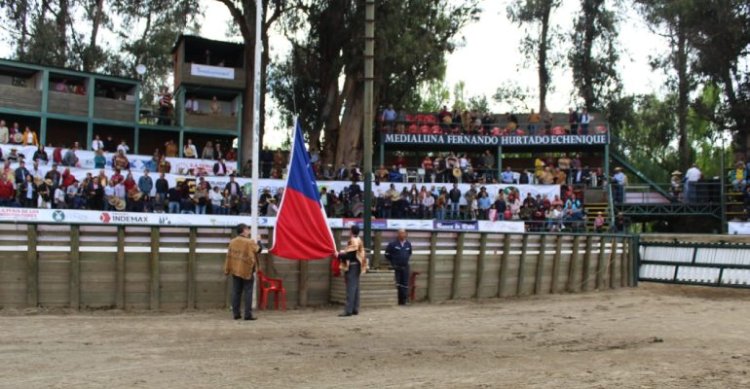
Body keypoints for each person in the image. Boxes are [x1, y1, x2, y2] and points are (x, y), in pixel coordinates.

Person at [223, 223, 263, 321]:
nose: (249, 231)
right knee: (248, 292)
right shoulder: (249, 242)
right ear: (244, 230)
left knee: (236, 291)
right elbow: (259, 250)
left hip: (236, 269)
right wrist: (259, 241)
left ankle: (236, 314)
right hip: (247, 270)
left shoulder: (232, 242)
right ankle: (247, 315)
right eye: (248, 229)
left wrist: (228, 268)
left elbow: (229, 256)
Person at [338, 225, 366, 317]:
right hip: (358, 266)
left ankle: (348, 310)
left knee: (351, 288)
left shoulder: (353, 240)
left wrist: (339, 255)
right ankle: (355, 308)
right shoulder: (359, 240)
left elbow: (350, 256)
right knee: (356, 288)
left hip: (353, 266)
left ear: (351, 231)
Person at [384, 229, 412, 305]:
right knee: (397, 283)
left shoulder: (408, 244)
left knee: (405, 284)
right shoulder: (393, 244)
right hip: (396, 267)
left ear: (406, 234)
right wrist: (393, 262)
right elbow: (387, 254)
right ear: (398, 234)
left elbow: (409, 253)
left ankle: (404, 300)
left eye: (404, 233)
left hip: (405, 266)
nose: (402, 235)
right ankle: (397, 300)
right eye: (401, 233)